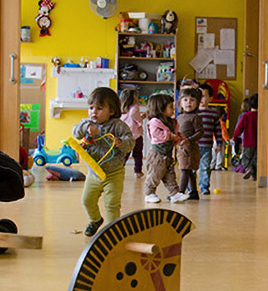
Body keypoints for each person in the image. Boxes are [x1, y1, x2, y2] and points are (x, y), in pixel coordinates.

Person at [72, 87, 134, 237]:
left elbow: (131, 142)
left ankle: (112, 232)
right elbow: (75, 131)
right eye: (91, 108)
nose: (94, 112)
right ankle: (95, 220)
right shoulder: (87, 124)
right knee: (87, 200)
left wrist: (121, 142)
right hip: (94, 173)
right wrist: (87, 127)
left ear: (112, 111)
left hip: (114, 173)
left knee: (112, 204)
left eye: (99, 108)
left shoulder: (118, 126)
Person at [143, 93, 188, 204]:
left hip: (167, 154)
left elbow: (174, 132)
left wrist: (179, 136)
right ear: (160, 108)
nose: (173, 109)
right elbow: (157, 134)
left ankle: (174, 193)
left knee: (170, 175)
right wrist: (171, 136)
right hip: (157, 155)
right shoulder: (155, 122)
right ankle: (149, 193)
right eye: (170, 107)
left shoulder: (170, 122)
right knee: (155, 174)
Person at [175, 88, 204, 200]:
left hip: (190, 148)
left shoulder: (195, 117)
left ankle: (180, 192)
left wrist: (189, 140)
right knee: (189, 170)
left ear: (197, 103)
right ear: (180, 103)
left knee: (185, 170)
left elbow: (200, 133)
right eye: (185, 100)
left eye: (192, 100)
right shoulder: (180, 116)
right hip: (181, 147)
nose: (188, 103)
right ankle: (193, 192)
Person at [196, 87, 222, 194]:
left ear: (210, 98)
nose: (200, 99)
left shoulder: (213, 114)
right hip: (194, 146)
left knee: (205, 167)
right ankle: (191, 187)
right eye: (198, 96)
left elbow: (218, 130)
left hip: (207, 146)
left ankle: (204, 187)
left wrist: (219, 143)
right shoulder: (194, 113)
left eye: (203, 96)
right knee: (192, 168)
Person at [232, 95, 259, 180]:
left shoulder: (246, 116)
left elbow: (239, 128)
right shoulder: (261, 116)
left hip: (248, 142)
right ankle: (255, 176)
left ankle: (248, 169)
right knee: (255, 159)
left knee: (245, 159)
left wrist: (235, 137)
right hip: (258, 142)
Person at [119, 88, 144, 178]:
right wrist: (141, 119)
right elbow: (134, 115)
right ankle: (138, 171)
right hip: (136, 135)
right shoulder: (135, 107)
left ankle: (119, 169)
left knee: (125, 154)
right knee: (138, 154)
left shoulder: (121, 109)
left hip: (126, 136)